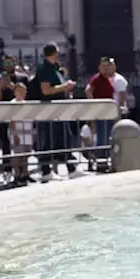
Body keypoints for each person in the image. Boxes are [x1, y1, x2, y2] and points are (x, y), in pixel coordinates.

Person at [30, 43, 79, 181]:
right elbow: (46, 90)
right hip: (49, 112)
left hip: (59, 112)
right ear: (54, 53)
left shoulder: (54, 68)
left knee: (64, 139)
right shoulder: (44, 69)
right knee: (48, 141)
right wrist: (65, 87)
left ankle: (71, 169)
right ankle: (46, 171)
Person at [0, 56, 30, 176]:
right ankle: (8, 170)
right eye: (6, 63)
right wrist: (0, 86)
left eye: (11, 62)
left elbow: (25, 94)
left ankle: (24, 171)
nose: (9, 65)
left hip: (21, 117)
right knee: (6, 143)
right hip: (4, 116)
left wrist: (11, 86)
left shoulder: (23, 78)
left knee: (23, 145)